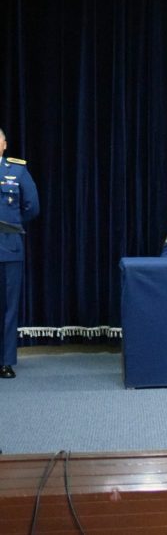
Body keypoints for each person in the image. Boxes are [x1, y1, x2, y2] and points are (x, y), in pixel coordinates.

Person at [0, 129, 39, 379]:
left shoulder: (17, 171)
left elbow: (32, 206)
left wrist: (11, 225)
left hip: (8, 245)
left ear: (4, 145)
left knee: (8, 306)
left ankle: (5, 361)